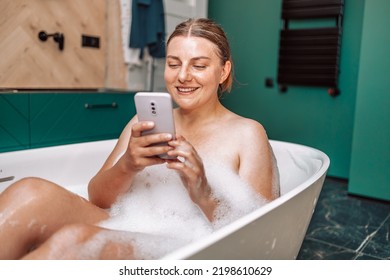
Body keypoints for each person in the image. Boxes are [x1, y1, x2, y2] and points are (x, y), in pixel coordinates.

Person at [0, 18, 279, 260]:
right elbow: (97, 199)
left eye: (199, 65)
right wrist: (128, 165)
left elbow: (261, 237)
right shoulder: (143, 123)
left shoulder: (247, 134)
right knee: (29, 191)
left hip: (191, 245)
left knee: (72, 243)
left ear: (224, 71)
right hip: (131, 222)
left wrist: (202, 191)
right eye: (173, 64)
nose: (182, 76)